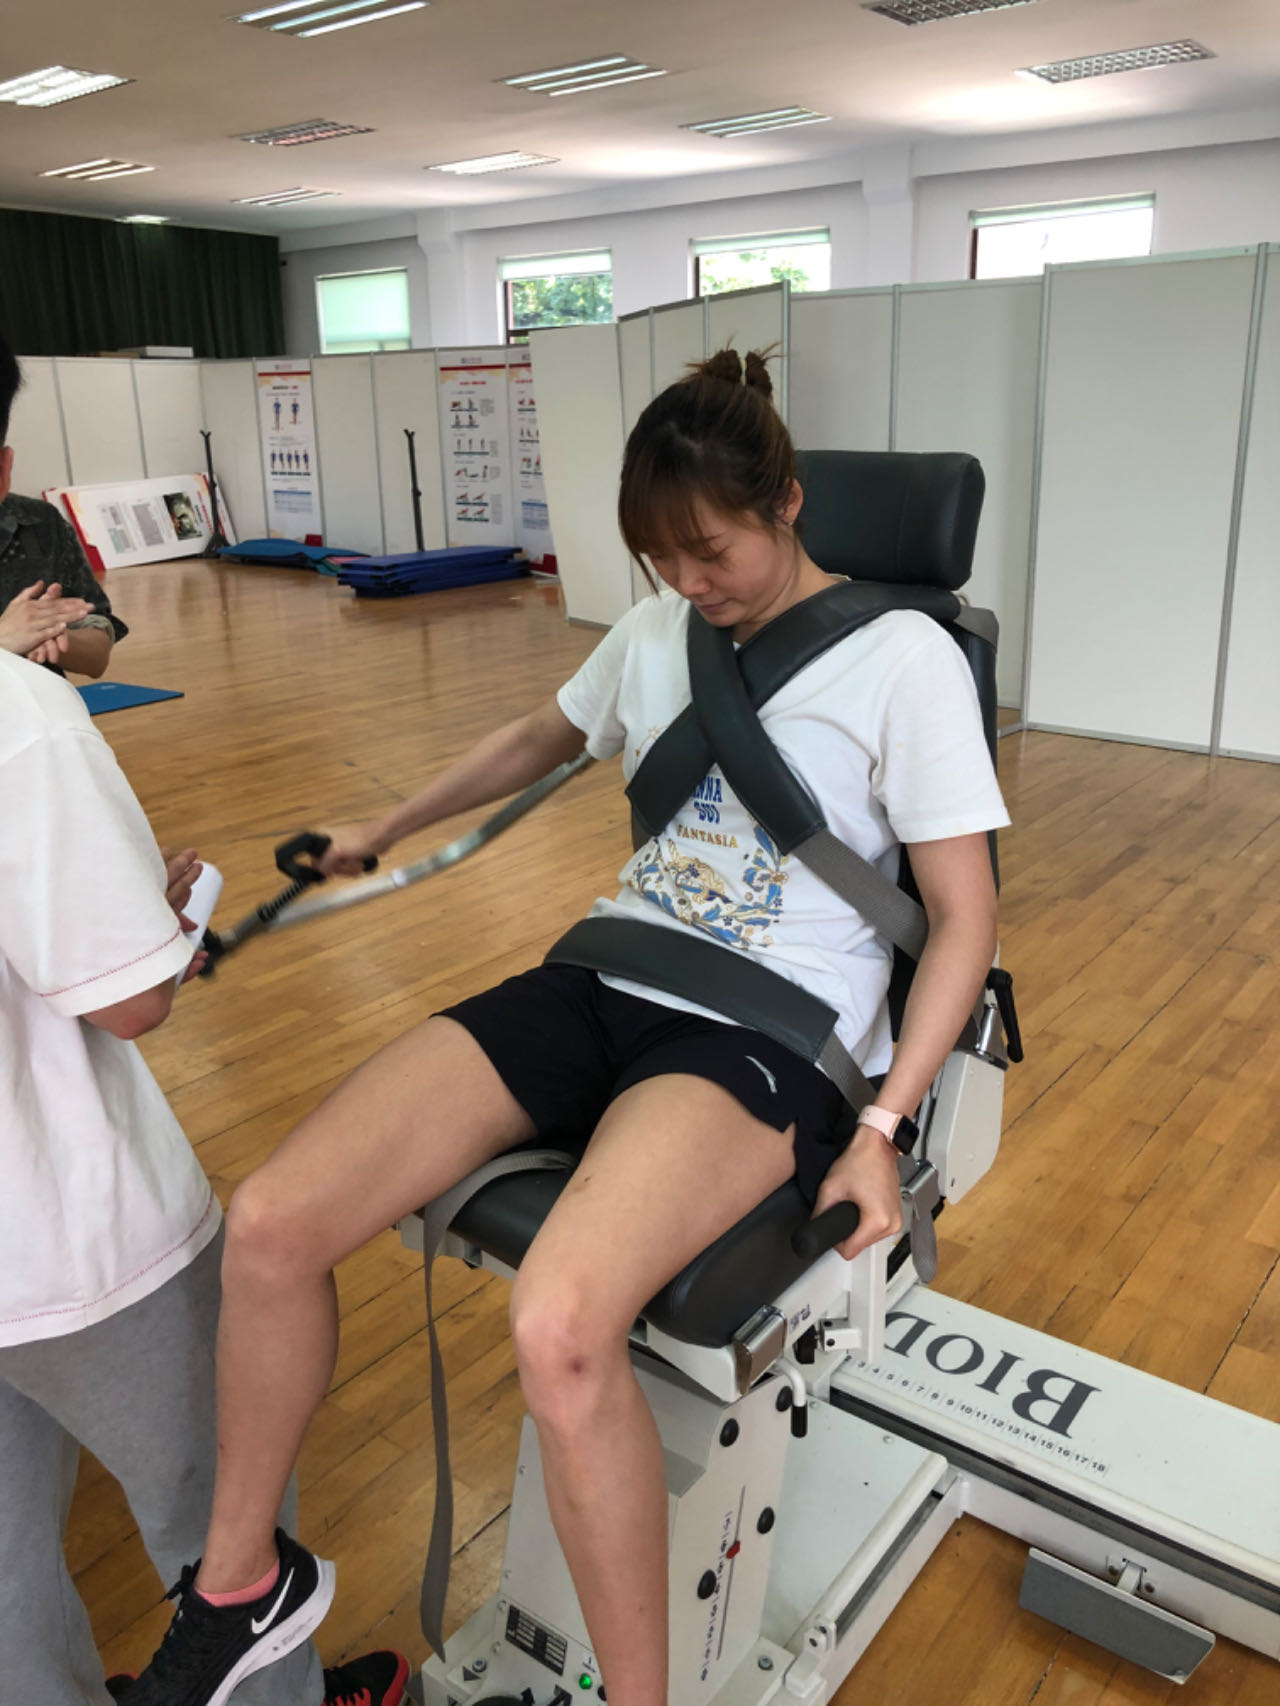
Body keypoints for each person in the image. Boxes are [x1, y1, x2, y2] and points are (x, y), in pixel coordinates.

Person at [122, 348, 1009, 1706]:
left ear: (786, 501)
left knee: (559, 1322)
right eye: (661, 558)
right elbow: (539, 737)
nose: (688, 583)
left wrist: (882, 1129)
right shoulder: (658, 633)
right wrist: (382, 824)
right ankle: (243, 1586)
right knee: (272, 1219)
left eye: (711, 551)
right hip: (602, 975)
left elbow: (962, 919)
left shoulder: (906, 658)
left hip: (763, 1029)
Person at [0, 337, 408, 1706]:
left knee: (3, 1575)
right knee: (224, 1546)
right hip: (71, 1240)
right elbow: (131, 997)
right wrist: (153, 921)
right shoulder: (23, 720)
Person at [0, 338, 126, 679]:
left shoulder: (38, 525)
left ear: (4, 469)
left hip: (40, 713)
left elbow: (97, 652)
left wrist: (51, 636)